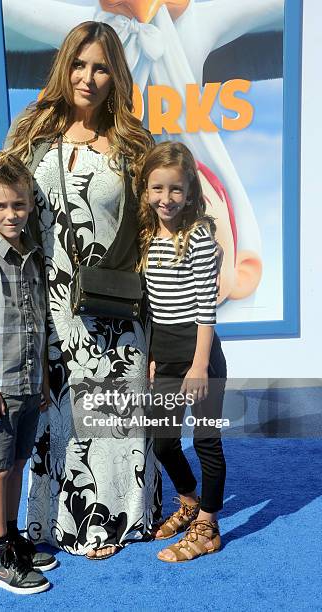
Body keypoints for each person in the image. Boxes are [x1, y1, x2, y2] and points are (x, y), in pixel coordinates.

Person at [0, 21, 161, 560]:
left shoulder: (134, 144)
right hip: (46, 308)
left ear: (116, 74)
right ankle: (50, 526)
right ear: (63, 66)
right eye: (79, 64)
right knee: (58, 420)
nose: (88, 77)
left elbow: (150, 231)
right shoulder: (32, 130)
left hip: (116, 313)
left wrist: (163, 328)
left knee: (115, 419)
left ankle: (118, 520)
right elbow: (2, 193)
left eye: (100, 67)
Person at [0, 152, 57, 594]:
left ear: (30, 205)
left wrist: (39, 379)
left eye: (18, 205)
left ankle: (14, 535)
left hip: (26, 383)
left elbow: (37, 321)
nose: (10, 214)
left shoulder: (31, 254)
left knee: (18, 463)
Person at [138, 141, 227, 562]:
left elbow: (205, 310)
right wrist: (155, 356)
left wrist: (199, 365)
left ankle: (208, 525)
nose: (166, 198)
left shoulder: (199, 239)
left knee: (207, 440)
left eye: (175, 189)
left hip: (200, 356)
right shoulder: (146, 238)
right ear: (146, 190)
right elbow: (154, 305)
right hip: (166, 356)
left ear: (190, 192)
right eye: (158, 188)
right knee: (164, 443)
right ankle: (189, 500)